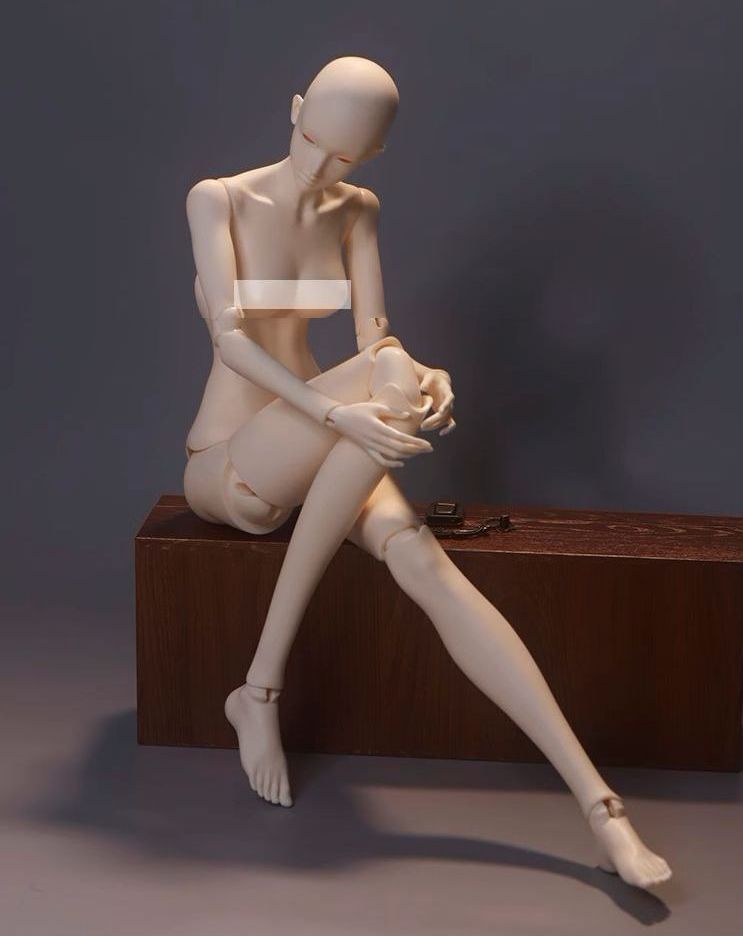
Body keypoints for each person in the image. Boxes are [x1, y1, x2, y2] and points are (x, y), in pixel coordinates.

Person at [183, 56, 671, 889]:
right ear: (295, 110)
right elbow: (230, 341)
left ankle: (600, 809)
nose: (320, 166)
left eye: (344, 156)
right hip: (233, 463)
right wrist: (338, 411)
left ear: (370, 157)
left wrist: (423, 377)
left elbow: (377, 341)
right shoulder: (218, 199)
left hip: (330, 444)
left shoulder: (356, 211)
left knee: (425, 563)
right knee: (386, 384)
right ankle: (258, 691)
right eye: (312, 139)